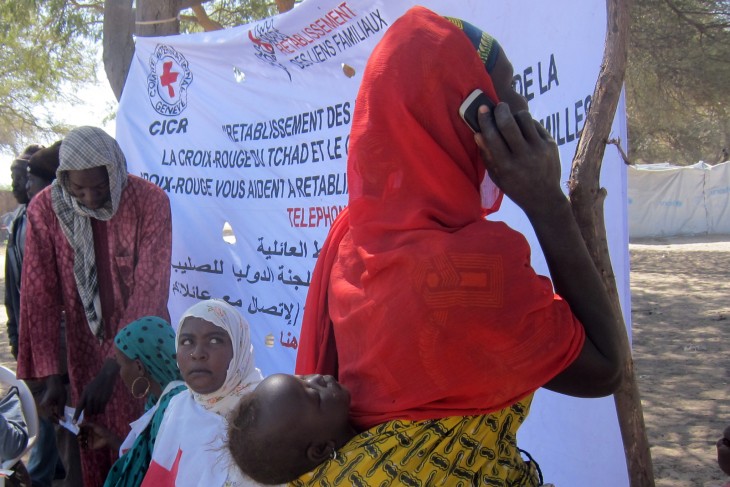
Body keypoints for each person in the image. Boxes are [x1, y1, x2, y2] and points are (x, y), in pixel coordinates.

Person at [229, 6, 624, 485]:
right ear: (472, 119)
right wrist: (546, 204)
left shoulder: (352, 239)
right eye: (509, 91)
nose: (521, 106)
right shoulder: (467, 271)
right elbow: (604, 370)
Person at [17, 126, 173, 486]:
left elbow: (150, 288)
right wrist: (52, 378)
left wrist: (113, 366)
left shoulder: (149, 201)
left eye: (100, 187)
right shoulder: (46, 209)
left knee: (146, 441)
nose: (89, 198)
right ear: (63, 180)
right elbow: (39, 294)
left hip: (142, 352)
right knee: (88, 447)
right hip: (81, 349)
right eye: (78, 188)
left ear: (116, 172)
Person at [140, 300, 267, 487]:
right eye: (187, 342)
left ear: (239, 348)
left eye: (215, 340)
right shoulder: (178, 404)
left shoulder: (265, 415)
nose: (197, 353)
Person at [78, 316, 186, 487]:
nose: (120, 374)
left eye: (121, 365)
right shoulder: (158, 402)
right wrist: (110, 439)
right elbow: (152, 461)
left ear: (139, 367)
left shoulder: (177, 409)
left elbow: (164, 474)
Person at [5, 144, 42, 359]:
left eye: (22, 177)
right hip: (24, 334)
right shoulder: (18, 221)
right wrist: (14, 334)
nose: (15, 183)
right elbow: (12, 288)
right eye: (13, 176)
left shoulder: (55, 222)